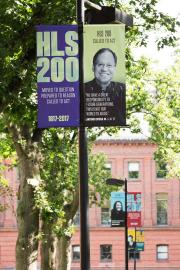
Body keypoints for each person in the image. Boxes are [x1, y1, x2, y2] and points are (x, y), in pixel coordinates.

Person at [84, 48, 126, 126]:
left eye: (109, 65)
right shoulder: (81, 90)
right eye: (100, 65)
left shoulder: (122, 90)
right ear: (93, 67)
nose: (104, 69)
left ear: (114, 69)